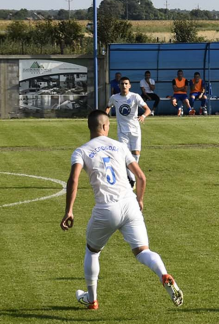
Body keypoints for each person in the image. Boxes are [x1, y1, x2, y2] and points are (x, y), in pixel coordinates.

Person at [60, 110, 183, 310]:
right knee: (143, 251)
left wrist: (69, 211)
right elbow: (141, 177)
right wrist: (139, 200)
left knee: (92, 251)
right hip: (129, 204)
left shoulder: (81, 151)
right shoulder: (120, 146)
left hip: (106, 209)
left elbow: (73, 180)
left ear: (90, 127)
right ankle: (163, 274)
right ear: (105, 126)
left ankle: (92, 300)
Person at [104, 76, 151, 188]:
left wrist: (143, 116)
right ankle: (132, 179)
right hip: (122, 131)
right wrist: (105, 118)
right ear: (119, 85)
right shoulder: (114, 97)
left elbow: (147, 109)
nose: (124, 86)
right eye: (122, 84)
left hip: (135, 130)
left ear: (129, 85)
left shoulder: (135, 96)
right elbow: (108, 107)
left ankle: (130, 174)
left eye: (126, 84)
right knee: (125, 154)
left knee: (136, 154)